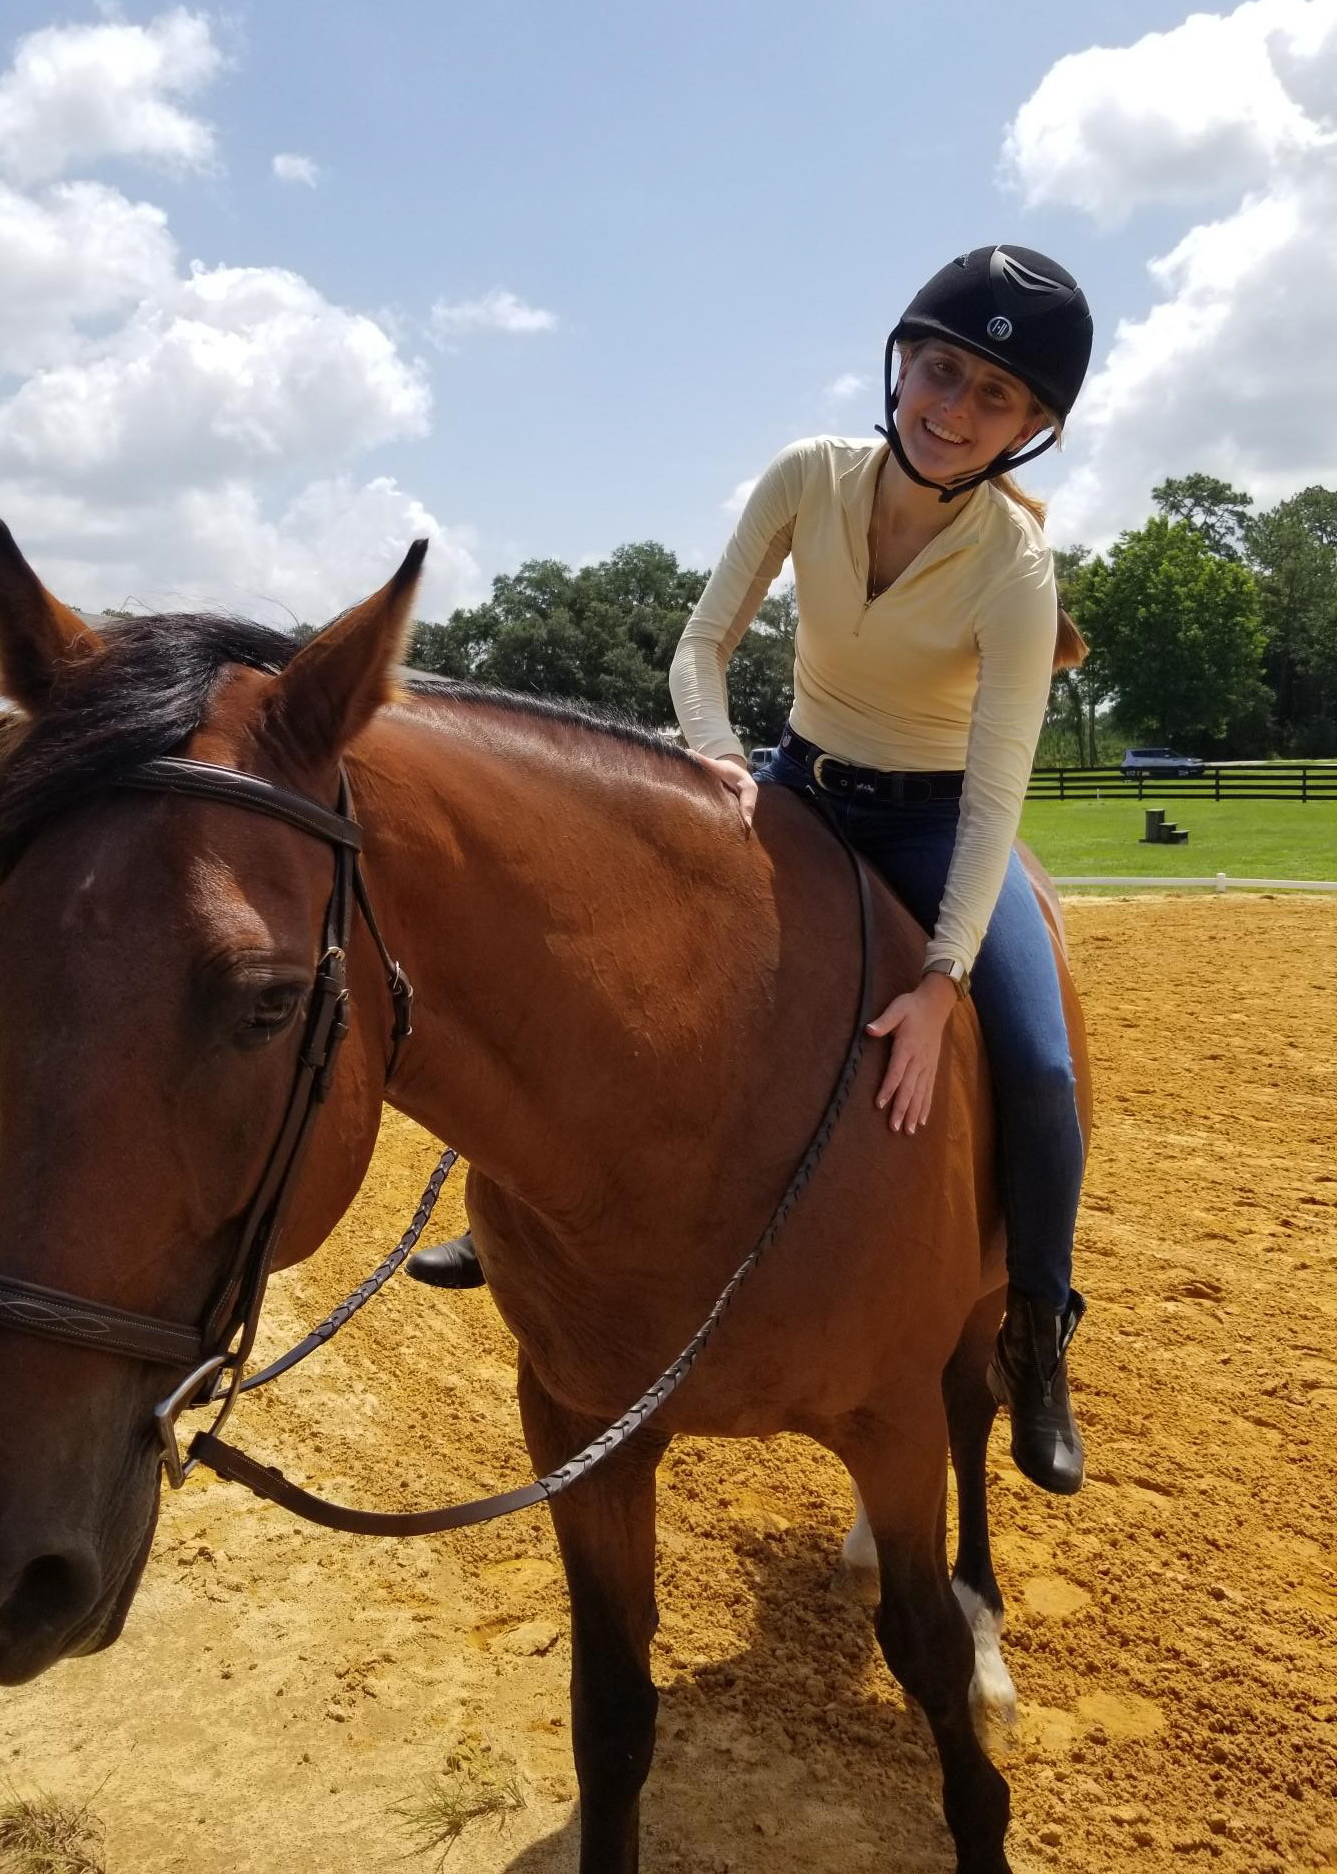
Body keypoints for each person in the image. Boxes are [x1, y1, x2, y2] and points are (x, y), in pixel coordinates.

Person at [406, 245, 1093, 1497]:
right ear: (903, 362)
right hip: (792, 785)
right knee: (600, 950)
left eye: (995, 396)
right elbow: (701, 644)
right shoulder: (808, 476)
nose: (952, 409)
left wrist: (942, 980)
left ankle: (1036, 1333)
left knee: (1042, 1065)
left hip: (939, 821)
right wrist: (718, 758)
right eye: (941, 370)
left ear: (1033, 427)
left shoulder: (1016, 565)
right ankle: (501, 1214)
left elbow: (999, 790)